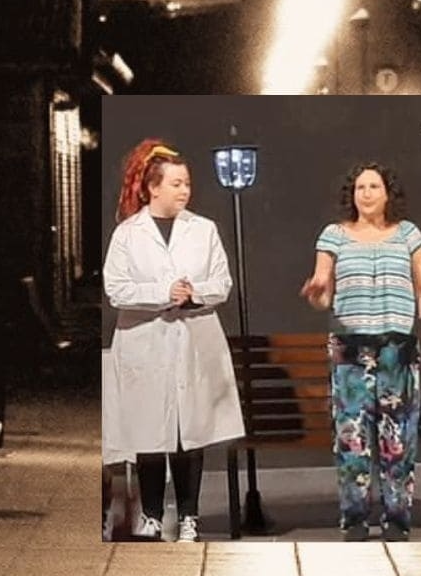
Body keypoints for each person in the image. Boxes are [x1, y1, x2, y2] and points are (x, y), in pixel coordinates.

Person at [102, 138, 246, 542]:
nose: (184, 191)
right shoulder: (128, 234)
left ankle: (188, 516)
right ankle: (150, 515)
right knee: (148, 431)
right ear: (153, 187)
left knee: (189, 433)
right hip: (145, 341)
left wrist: (194, 293)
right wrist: (163, 293)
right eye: (176, 183)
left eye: (187, 183)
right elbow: (117, 289)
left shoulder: (203, 230)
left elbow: (221, 282)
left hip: (193, 341)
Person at [299, 162, 421, 542]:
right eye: (360, 187)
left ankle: (396, 518)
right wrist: (316, 293)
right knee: (352, 437)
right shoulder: (334, 235)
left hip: (397, 348)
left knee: (398, 438)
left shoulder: (408, 233)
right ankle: (355, 519)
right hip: (351, 348)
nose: (366, 193)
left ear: (387, 193)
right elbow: (324, 294)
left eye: (374, 186)